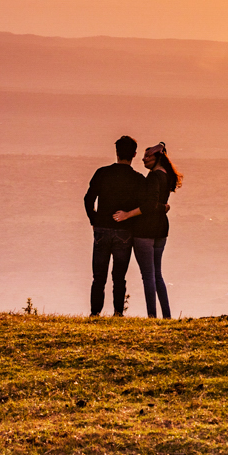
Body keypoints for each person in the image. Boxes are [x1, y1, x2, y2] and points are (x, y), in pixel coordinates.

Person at [113, 142, 180, 318]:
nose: (143, 159)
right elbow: (158, 204)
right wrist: (163, 207)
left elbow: (149, 204)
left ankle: (152, 316)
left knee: (148, 276)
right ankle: (166, 315)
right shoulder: (167, 177)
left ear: (157, 157)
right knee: (157, 275)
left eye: (147, 156)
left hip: (145, 230)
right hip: (161, 229)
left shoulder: (153, 177)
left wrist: (127, 215)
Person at [83, 135, 147, 317]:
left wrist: (94, 220)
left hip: (102, 229)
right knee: (119, 277)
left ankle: (95, 314)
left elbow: (88, 199)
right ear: (134, 154)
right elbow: (143, 206)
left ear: (116, 152)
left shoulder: (102, 173)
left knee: (99, 277)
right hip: (124, 231)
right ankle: (118, 313)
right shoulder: (138, 179)